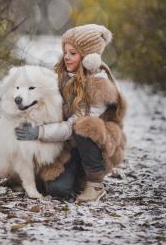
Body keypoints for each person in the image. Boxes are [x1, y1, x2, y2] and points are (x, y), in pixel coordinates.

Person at [15, 24, 127, 202]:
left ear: (89, 58)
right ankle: (73, 178)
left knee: (85, 125)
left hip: (97, 145)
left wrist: (40, 132)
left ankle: (94, 184)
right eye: (65, 52)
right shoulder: (65, 75)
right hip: (69, 145)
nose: (66, 57)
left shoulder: (100, 86)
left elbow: (71, 127)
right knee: (57, 190)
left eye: (73, 53)